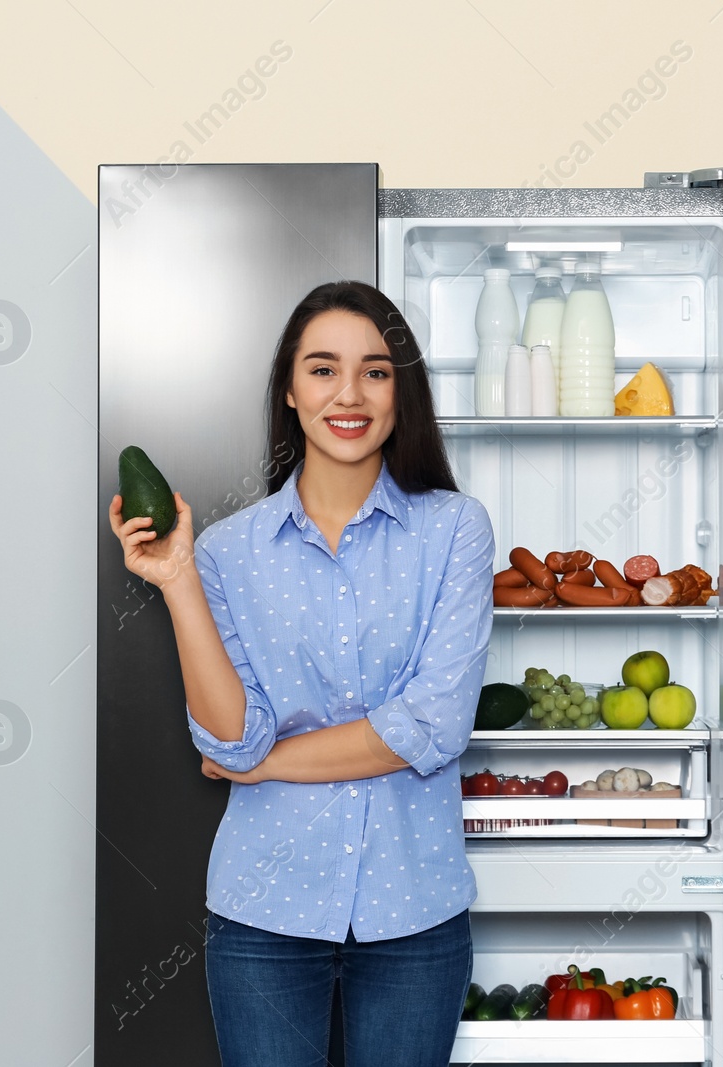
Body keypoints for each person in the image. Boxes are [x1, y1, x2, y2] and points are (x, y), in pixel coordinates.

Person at [107, 281, 492, 1067]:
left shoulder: (455, 530)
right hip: (265, 913)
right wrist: (177, 576)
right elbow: (226, 733)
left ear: (401, 391)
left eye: (375, 371)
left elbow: (433, 725)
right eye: (322, 369)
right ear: (289, 389)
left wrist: (264, 764)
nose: (348, 394)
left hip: (415, 911)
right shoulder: (223, 551)